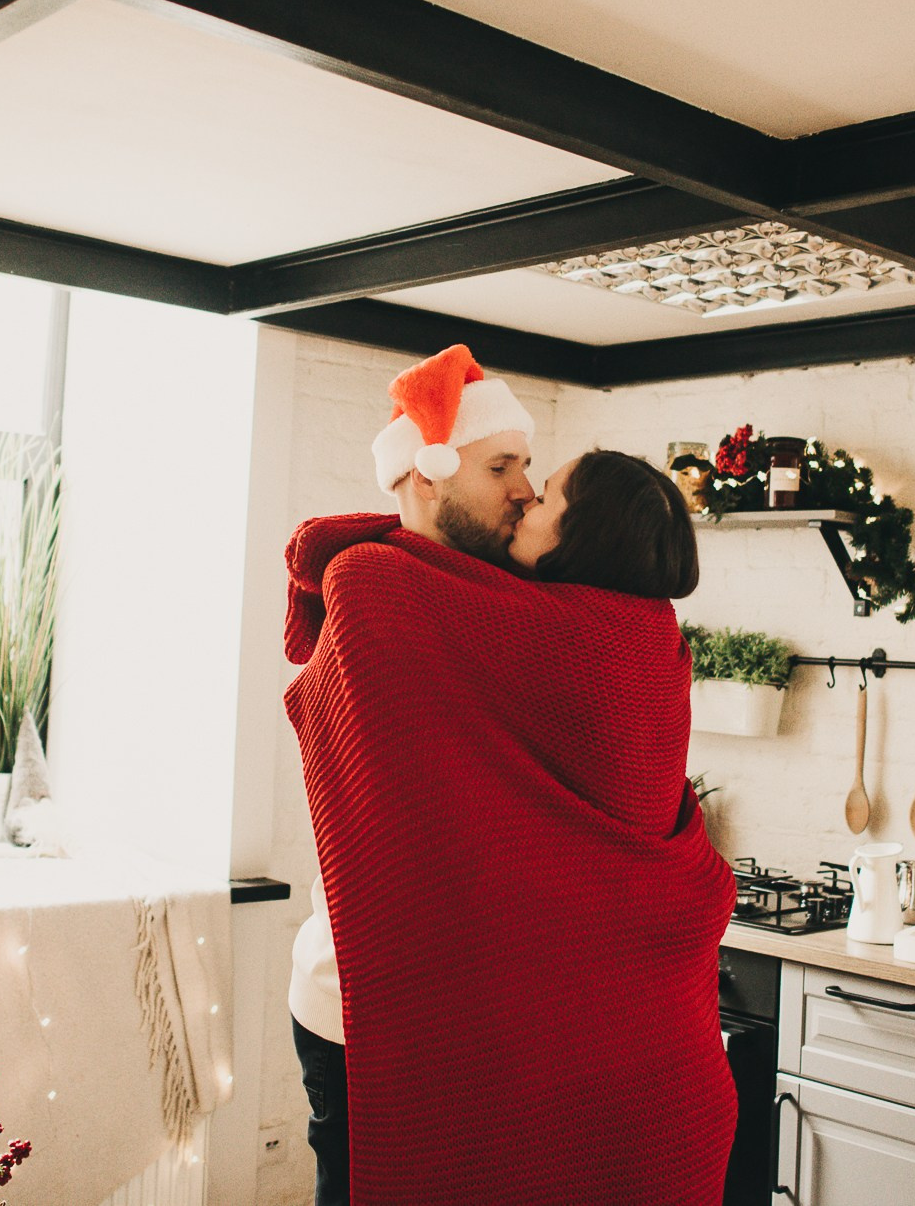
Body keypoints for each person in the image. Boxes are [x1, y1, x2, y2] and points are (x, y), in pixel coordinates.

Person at [285, 345, 735, 1206]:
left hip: (476, 1020)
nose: (526, 488)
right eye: (504, 466)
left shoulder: (470, 601)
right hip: (374, 1000)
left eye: (535, 475)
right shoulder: (414, 594)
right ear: (427, 473)